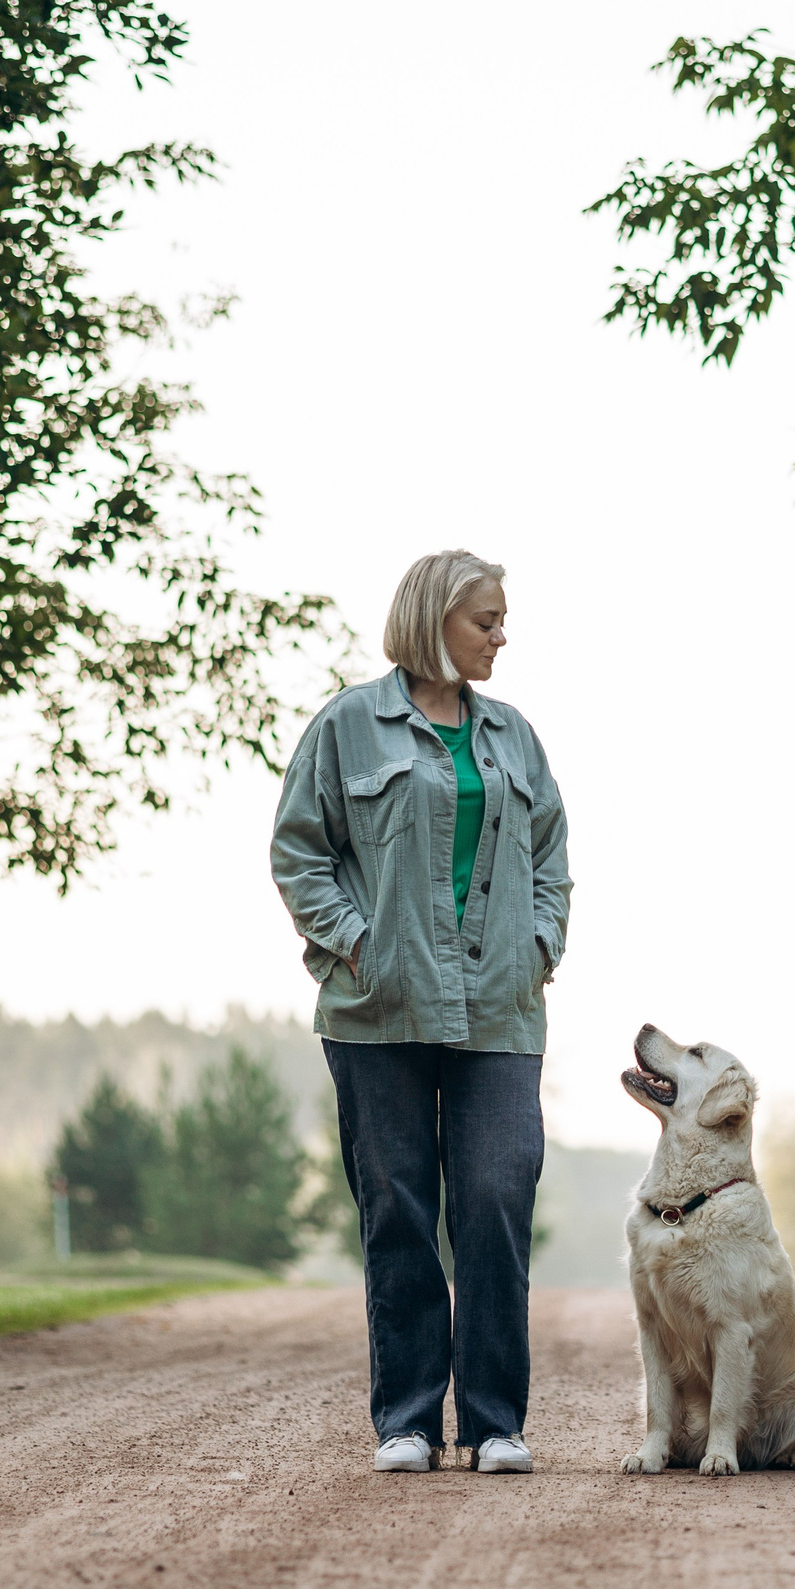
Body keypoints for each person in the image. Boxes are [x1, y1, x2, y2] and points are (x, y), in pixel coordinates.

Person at [270, 550, 570, 1475]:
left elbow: (552, 854)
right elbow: (298, 853)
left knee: (492, 1198)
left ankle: (494, 1424)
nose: (502, 636)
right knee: (397, 1210)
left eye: (502, 619)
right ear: (435, 620)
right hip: (377, 1012)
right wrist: (357, 942)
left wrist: (540, 943)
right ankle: (405, 1421)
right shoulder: (347, 727)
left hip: (499, 1015)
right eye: (486, 620)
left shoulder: (515, 736)